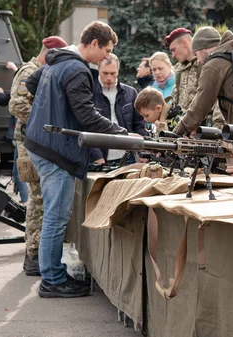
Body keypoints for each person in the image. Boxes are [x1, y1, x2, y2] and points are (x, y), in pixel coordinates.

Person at [24, 21, 126, 298]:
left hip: (40, 143)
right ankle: (53, 280)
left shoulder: (58, 60)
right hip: (54, 149)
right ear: (93, 43)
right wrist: (120, 132)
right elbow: (86, 115)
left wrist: (52, 108)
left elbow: (31, 83)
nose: (106, 56)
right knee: (56, 217)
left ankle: (51, 272)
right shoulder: (77, 68)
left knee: (53, 216)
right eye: (105, 50)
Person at [9, 35, 68, 277]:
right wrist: (46, 120)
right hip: (30, 143)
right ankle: (33, 254)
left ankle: (34, 254)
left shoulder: (41, 71)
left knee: (41, 198)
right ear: (49, 53)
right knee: (39, 198)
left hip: (37, 142)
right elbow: (17, 105)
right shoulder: (30, 70)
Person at [89, 54, 146, 166]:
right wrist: (96, 155)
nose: (109, 78)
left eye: (113, 73)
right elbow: (86, 126)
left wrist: (143, 151)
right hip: (100, 158)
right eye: (105, 73)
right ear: (98, 70)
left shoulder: (131, 93)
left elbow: (139, 125)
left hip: (128, 156)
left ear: (118, 71)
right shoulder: (90, 93)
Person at [163, 27, 226, 129]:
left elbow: (218, 101)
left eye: (173, 50)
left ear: (184, 42)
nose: (173, 55)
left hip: (204, 130)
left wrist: (217, 130)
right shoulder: (179, 70)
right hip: (185, 130)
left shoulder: (206, 65)